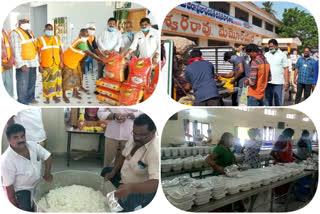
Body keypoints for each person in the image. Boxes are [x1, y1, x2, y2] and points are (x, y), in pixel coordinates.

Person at [100, 114, 158, 212]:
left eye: (142, 135)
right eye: (135, 133)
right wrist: (113, 172)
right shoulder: (133, 137)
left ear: (153, 132)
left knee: (119, 207)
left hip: (140, 189)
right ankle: (110, 200)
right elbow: (123, 156)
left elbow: (156, 183)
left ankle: (122, 207)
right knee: (106, 171)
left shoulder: (155, 151)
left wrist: (131, 188)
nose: (137, 138)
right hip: (125, 179)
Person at [1, 124, 52, 211]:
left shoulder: (32, 145)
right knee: (27, 209)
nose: (21, 140)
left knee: (51, 201)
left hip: (38, 183)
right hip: (23, 190)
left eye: (22, 136)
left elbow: (48, 156)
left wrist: (47, 173)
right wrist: (15, 207)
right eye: (16, 137)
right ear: (9, 140)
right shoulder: (6, 161)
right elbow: (9, 188)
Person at [62, 28, 105, 103]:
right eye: (84, 35)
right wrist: (101, 59)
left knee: (76, 77)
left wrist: (99, 58)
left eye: (87, 34)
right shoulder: (80, 43)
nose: (87, 36)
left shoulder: (84, 41)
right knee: (66, 79)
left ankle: (74, 93)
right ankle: (64, 95)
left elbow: (92, 50)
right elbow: (90, 53)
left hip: (75, 62)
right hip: (68, 61)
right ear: (80, 35)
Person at [11, 15, 39, 105]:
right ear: (19, 22)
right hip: (24, 64)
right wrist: (21, 64)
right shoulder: (15, 33)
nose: (26, 23)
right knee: (23, 84)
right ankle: (22, 102)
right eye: (23, 21)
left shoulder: (30, 32)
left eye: (27, 21)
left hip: (33, 62)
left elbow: (34, 46)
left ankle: (30, 98)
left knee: (32, 82)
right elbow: (16, 50)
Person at [37, 24, 63, 104]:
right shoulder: (40, 39)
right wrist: (40, 65)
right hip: (46, 64)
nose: (50, 31)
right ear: (44, 30)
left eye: (51, 29)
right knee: (47, 82)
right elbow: (38, 54)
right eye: (48, 29)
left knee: (56, 81)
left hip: (56, 63)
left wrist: (61, 62)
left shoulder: (56, 38)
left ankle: (55, 96)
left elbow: (61, 51)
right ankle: (47, 97)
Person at [264, 39, 290, 106]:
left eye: (272, 46)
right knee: (267, 100)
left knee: (278, 101)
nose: (270, 48)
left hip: (278, 82)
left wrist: (286, 82)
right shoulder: (266, 55)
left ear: (276, 46)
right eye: (269, 47)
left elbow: (286, 68)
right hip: (268, 82)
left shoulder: (282, 55)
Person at [2, 28, 15, 97]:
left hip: (9, 67)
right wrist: (3, 64)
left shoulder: (6, 33)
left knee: (9, 90)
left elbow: (10, 48)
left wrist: (10, 61)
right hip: (2, 67)